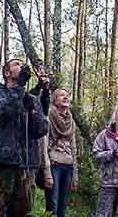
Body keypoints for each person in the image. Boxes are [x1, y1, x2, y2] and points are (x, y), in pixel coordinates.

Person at [0, 59, 48, 217]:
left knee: (22, 213)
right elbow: (5, 111)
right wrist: (19, 86)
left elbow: (41, 129)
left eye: (21, 64)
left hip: (26, 166)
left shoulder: (30, 99)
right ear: (7, 73)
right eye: (16, 64)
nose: (21, 66)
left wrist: (34, 112)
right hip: (2, 163)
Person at [39, 88, 78, 217]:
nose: (65, 97)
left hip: (68, 166)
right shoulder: (48, 118)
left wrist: (75, 174)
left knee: (63, 208)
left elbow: (73, 148)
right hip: (53, 165)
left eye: (67, 95)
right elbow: (43, 145)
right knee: (52, 207)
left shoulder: (71, 122)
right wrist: (47, 172)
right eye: (61, 95)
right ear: (54, 100)